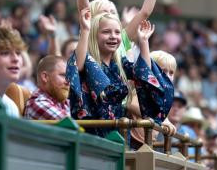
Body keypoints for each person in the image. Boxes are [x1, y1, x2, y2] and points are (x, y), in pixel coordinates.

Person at [67, 9, 173, 137]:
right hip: (91, 134)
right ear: (94, 34)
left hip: (119, 134)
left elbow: (144, 74)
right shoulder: (88, 59)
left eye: (117, 32)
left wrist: (144, 42)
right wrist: (85, 30)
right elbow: (77, 65)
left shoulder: (120, 65)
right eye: (106, 32)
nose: (113, 36)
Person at [24, 55, 70, 120]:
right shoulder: (38, 103)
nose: (68, 82)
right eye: (63, 75)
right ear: (45, 77)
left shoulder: (63, 102)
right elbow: (75, 127)